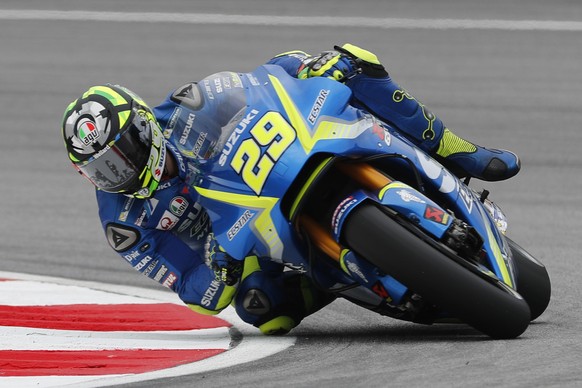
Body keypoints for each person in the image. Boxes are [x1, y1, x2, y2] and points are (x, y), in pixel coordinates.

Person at [61, 43, 520, 335]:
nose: (120, 172)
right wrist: (217, 270)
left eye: (123, 152)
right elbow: (191, 289)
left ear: (143, 123)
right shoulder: (124, 224)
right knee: (259, 309)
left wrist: (310, 65)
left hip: (281, 169)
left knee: (355, 61)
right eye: (103, 170)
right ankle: (342, 279)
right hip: (248, 242)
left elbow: (265, 78)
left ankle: (456, 150)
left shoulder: (190, 103)